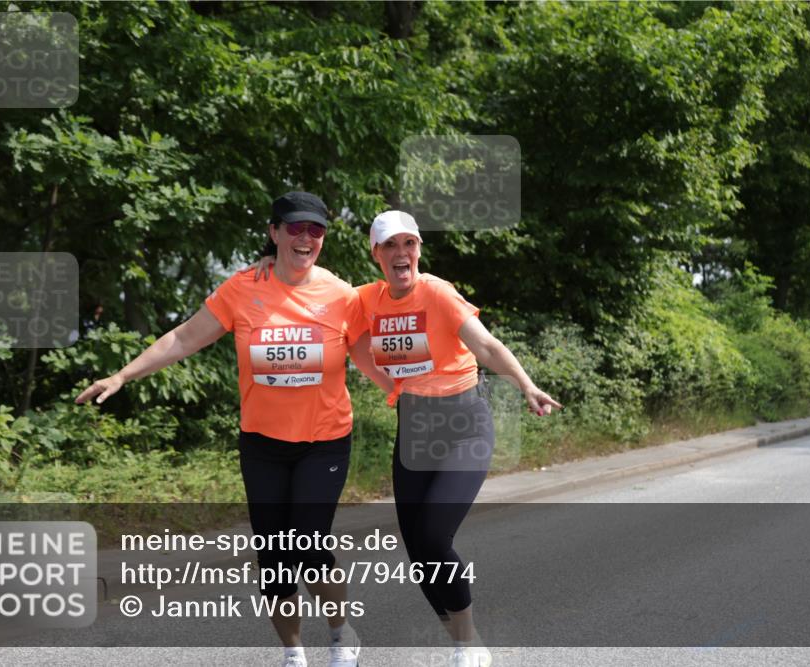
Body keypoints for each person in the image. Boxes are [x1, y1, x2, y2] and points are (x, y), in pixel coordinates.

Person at [77, 192, 392, 667]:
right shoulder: (244, 288)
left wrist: (415, 394)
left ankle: (339, 630)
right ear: (274, 233)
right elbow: (183, 336)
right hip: (262, 444)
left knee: (308, 544)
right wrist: (122, 374)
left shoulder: (340, 295)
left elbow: (372, 361)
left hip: (323, 443)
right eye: (295, 228)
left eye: (315, 230)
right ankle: (292, 650)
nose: (305, 238)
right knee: (273, 560)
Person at [254, 210, 562, 667]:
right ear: (376, 253)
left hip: (463, 426)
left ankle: (468, 642)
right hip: (414, 429)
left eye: (409, 244)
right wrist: (265, 261)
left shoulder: (437, 293)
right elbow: (311, 288)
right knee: (419, 554)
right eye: (390, 245)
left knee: (435, 537)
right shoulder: (363, 299)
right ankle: (458, 637)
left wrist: (525, 384)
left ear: (418, 249)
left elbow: (487, 345)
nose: (402, 253)